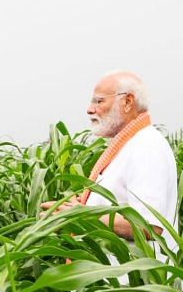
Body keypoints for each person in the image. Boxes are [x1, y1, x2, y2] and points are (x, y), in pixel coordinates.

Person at [40, 71, 177, 263]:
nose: (90, 109)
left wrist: (82, 216)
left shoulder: (146, 147)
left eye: (99, 101)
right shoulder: (129, 146)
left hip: (135, 286)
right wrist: (75, 213)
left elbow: (148, 226)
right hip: (115, 284)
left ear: (128, 102)